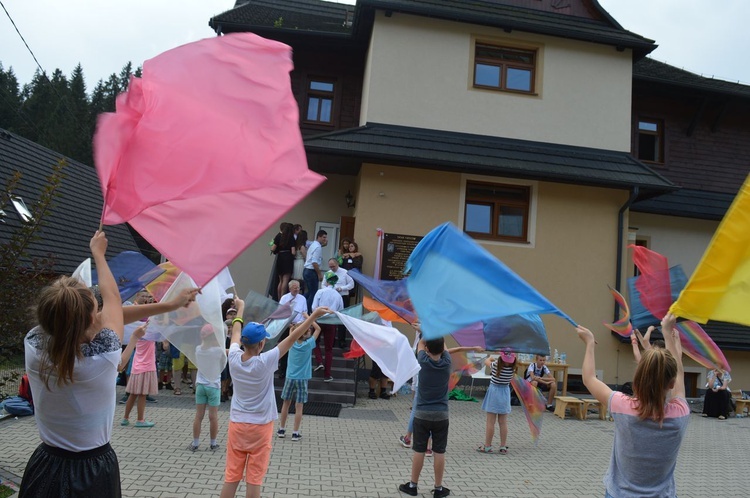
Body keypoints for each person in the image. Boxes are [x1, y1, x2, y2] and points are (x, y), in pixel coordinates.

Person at [20, 230, 197, 497]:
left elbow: (111, 311)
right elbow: (113, 301)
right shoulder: (102, 356)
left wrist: (169, 305)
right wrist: (99, 255)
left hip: (46, 464)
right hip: (92, 470)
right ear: (92, 320)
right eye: (96, 307)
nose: (102, 309)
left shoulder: (34, 343)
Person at [219, 298, 330, 498]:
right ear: (262, 343)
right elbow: (293, 337)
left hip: (237, 425)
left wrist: (241, 308)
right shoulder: (265, 361)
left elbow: (235, 330)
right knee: (254, 479)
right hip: (260, 428)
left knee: (232, 476)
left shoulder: (233, 357)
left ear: (243, 342)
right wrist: (313, 316)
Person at [577, 313, 688, 498]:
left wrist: (589, 343)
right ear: (671, 383)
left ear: (637, 378)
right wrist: (668, 334)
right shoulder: (680, 415)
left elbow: (589, 379)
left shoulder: (622, 406)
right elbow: (680, 377)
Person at [398, 336, 452, 498]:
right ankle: (438, 488)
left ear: (427, 349)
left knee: (419, 450)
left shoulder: (422, 361)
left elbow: (421, 343)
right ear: (442, 348)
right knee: (439, 451)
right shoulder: (447, 363)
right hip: (441, 414)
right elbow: (444, 348)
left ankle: (413, 486)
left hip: (421, 414)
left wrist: (424, 330)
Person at [278, 317, 321, 441]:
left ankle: (281, 429)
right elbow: (318, 328)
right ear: (307, 333)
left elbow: (292, 332)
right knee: (299, 406)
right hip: (302, 379)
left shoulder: (291, 342)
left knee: (286, 404)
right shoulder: (309, 344)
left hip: (290, 377)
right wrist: (309, 317)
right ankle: (295, 432)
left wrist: (294, 327)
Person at [189, 324, 227, 452]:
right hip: (213, 386)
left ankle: (195, 443)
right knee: (213, 416)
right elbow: (227, 355)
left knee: (198, 416)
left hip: (200, 385)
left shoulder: (198, 349)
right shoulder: (218, 351)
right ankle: (213, 443)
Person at [477, 350, 516, 455]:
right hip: (504, 395)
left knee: (490, 422)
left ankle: (487, 446)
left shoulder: (495, 366)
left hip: (494, 394)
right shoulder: (512, 369)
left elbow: (486, 361)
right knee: (503, 423)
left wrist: (490, 357)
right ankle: (503, 446)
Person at [121, 321, 159, 428]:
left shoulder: (138, 333)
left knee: (132, 394)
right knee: (143, 394)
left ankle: (125, 418)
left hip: (136, 367)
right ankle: (140, 420)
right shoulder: (151, 335)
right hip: (146, 368)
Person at [312, 271, 344, 382]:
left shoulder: (320, 292)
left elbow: (313, 307)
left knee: (314, 342)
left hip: (319, 320)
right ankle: (327, 375)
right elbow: (340, 311)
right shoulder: (338, 295)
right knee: (329, 349)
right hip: (331, 322)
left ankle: (319, 361)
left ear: (326, 281)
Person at [277, 280, 308, 378]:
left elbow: (305, 312)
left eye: (298, 288)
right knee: (284, 348)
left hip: (298, 327)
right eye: (295, 288)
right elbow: (280, 312)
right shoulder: (284, 298)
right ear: (290, 288)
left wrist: (299, 325)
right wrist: (289, 324)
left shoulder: (302, 298)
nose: (297, 289)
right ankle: (283, 370)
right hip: (286, 326)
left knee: (296, 350)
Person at [324, 258, 354, 348]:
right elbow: (323, 284)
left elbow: (351, 284)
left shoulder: (345, 272)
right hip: (332, 297)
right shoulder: (328, 273)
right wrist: (327, 290)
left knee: (342, 318)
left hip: (343, 296)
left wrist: (342, 288)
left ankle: (341, 340)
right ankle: (331, 339)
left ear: (337, 264)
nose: (332, 268)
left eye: (333, 266)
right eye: (330, 266)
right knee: (332, 318)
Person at [303, 229, 327, 313]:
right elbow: (314, 262)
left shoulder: (313, 244)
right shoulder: (317, 247)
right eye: (323, 237)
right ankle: (308, 312)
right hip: (311, 272)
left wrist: (324, 243)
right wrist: (319, 274)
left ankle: (301, 307)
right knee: (313, 293)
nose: (325, 239)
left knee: (309, 292)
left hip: (306, 270)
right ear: (319, 236)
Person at [271, 223, 296, 303]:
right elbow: (293, 252)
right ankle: (283, 298)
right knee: (286, 279)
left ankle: (279, 299)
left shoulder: (278, 236)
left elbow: (273, 248)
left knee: (280, 280)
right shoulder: (291, 237)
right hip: (288, 257)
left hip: (280, 257)